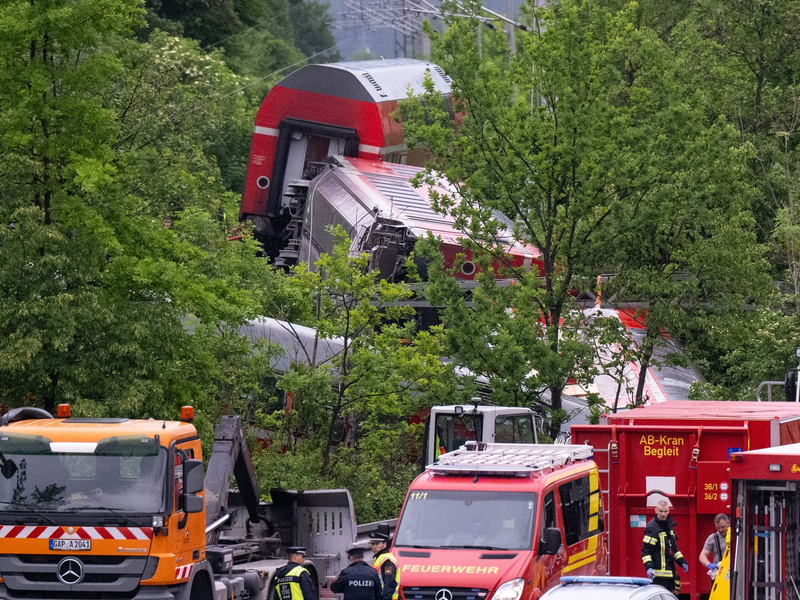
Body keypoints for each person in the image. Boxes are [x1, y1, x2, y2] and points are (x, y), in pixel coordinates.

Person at [641, 500, 689, 593]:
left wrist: (682, 561)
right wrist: (648, 567)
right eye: (661, 511)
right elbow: (646, 551)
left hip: (670, 574)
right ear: (655, 511)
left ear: (669, 511)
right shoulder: (652, 528)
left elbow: (673, 549)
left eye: (665, 511)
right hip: (657, 576)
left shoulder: (669, 526)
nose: (663, 514)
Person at [370, 529, 399, 600]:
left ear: (385, 544)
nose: (374, 547)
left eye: (377, 544)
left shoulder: (387, 560)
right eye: (373, 544)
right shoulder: (379, 558)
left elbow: (390, 583)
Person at [700, 514, 730, 580]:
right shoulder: (713, 538)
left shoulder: (738, 537)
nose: (720, 530)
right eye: (718, 528)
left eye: (723, 527)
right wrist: (708, 564)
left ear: (728, 523)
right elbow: (702, 556)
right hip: (719, 576)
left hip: (734, 574)